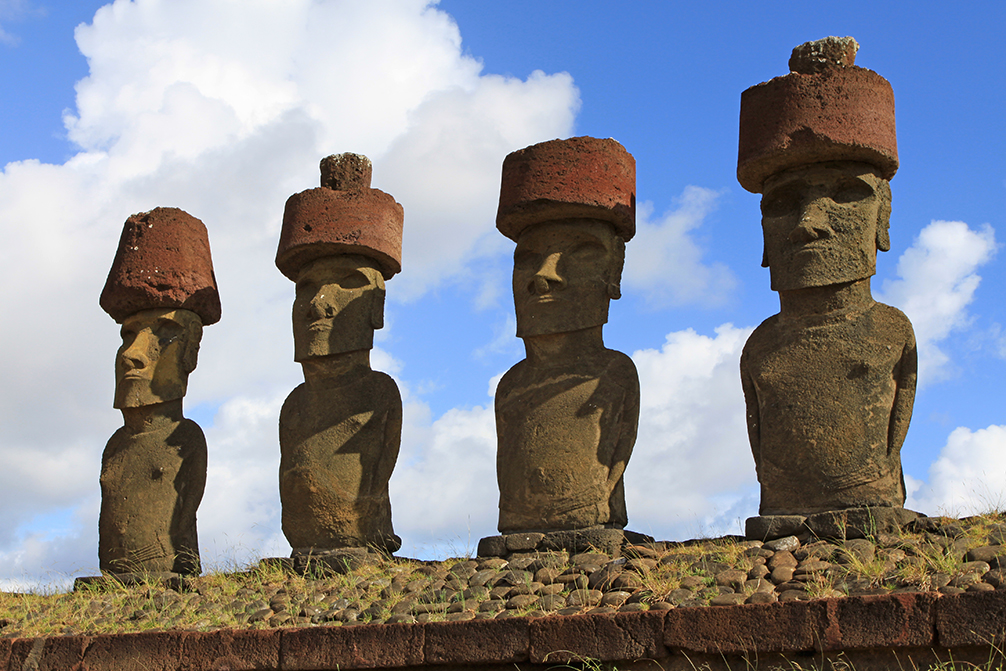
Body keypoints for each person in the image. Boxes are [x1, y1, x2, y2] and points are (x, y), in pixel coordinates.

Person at [738, 38, 917, 517]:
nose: (808, 223)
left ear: (883, 218)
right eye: (783, 202)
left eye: (846, 193)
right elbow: (760, 438)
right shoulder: (761, 345)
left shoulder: (891, 330)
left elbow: (895, 432)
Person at [494, 137, 639, 534]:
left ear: (615, 270)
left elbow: (617, 455)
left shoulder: (613, 374)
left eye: (582, 252)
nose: (543, 276)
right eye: (527, 258)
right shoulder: (511, 385)